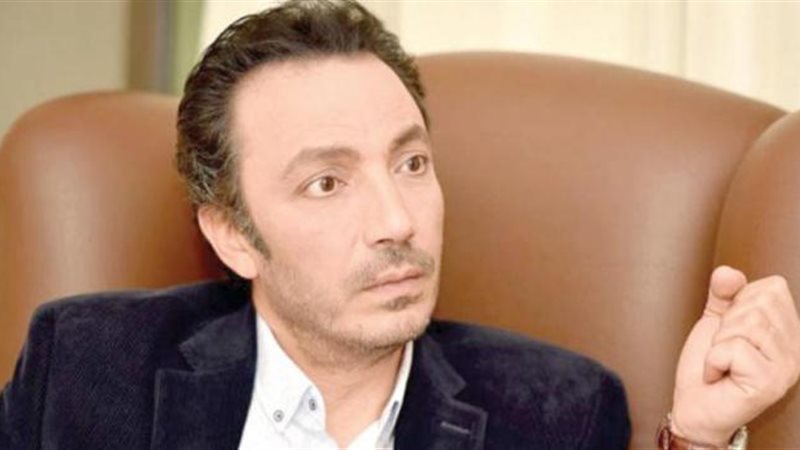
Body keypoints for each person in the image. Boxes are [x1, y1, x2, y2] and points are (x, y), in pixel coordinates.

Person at [1, 1, 799, 449]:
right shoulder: (87, 363)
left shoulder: (556, 412)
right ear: (233, 235)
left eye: (411, 163)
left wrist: (694, 440)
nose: (397, 220)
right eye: (326, 182)